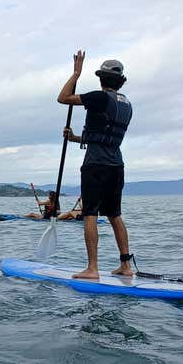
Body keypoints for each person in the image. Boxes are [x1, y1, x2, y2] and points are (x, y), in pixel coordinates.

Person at [57, 51, 133, 279]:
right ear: (119, 82)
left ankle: (92, 268)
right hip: (116, 165)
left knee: (90, 214)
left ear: (101, 79)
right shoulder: (127, 104)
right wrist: (76, 139)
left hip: (95, 165)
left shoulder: (99, 98)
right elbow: (105, 137)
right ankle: (126, 266)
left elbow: (62, 98)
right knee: (114, 214)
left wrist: (76, 73)